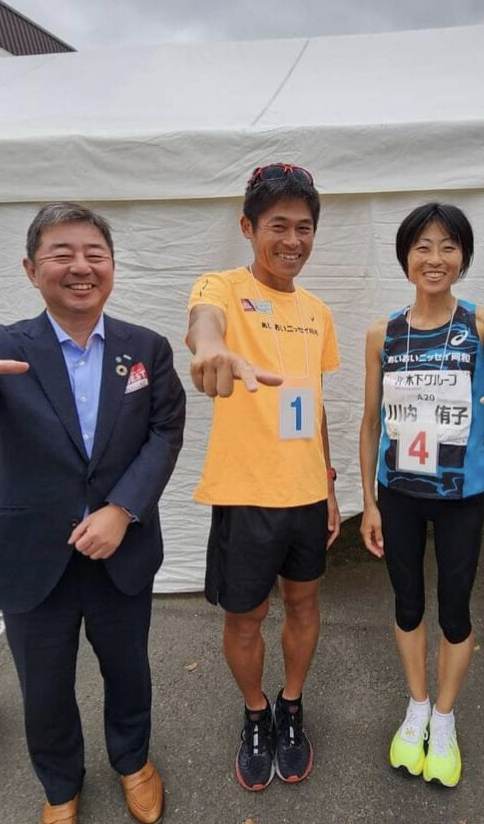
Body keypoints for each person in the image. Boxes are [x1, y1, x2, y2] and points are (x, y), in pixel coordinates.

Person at [0, 203, 186, 824]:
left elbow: (165, 431)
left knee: (129, 670)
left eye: (95, 253)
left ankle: (133, 761)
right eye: (62, 254)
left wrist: (122, 509)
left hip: (121, 549)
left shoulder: (146, 348)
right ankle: (60, 785)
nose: (81, 266)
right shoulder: (1, 346)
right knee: (44, 685)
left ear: (112, 266)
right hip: (32, 553)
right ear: (32, 270)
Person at [358, 202, 484, 788]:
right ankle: (417, 705)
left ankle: (444, 718)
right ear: (405, 257)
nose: (435, 258)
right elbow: (370, 422)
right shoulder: (383, 333)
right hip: (397, 493)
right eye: (422, 246)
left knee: (455, 609)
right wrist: (368, 502)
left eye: (448, 246)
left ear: (463, 257)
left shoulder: (482, 322)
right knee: (407, 604)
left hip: (461, 498)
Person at [186, 164, 340, 791]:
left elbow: (315, 403)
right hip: (246, 493)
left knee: (304, 605)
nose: (292, 240)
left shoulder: (317, 311)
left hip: (306, 493)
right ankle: (255, 713)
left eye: (304, 228)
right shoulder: (221, 286)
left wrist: (329, 485)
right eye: (278, 225)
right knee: (245, 617)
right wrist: (209, 349)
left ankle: (291, 705)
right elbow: (204, 324)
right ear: (249, 227)